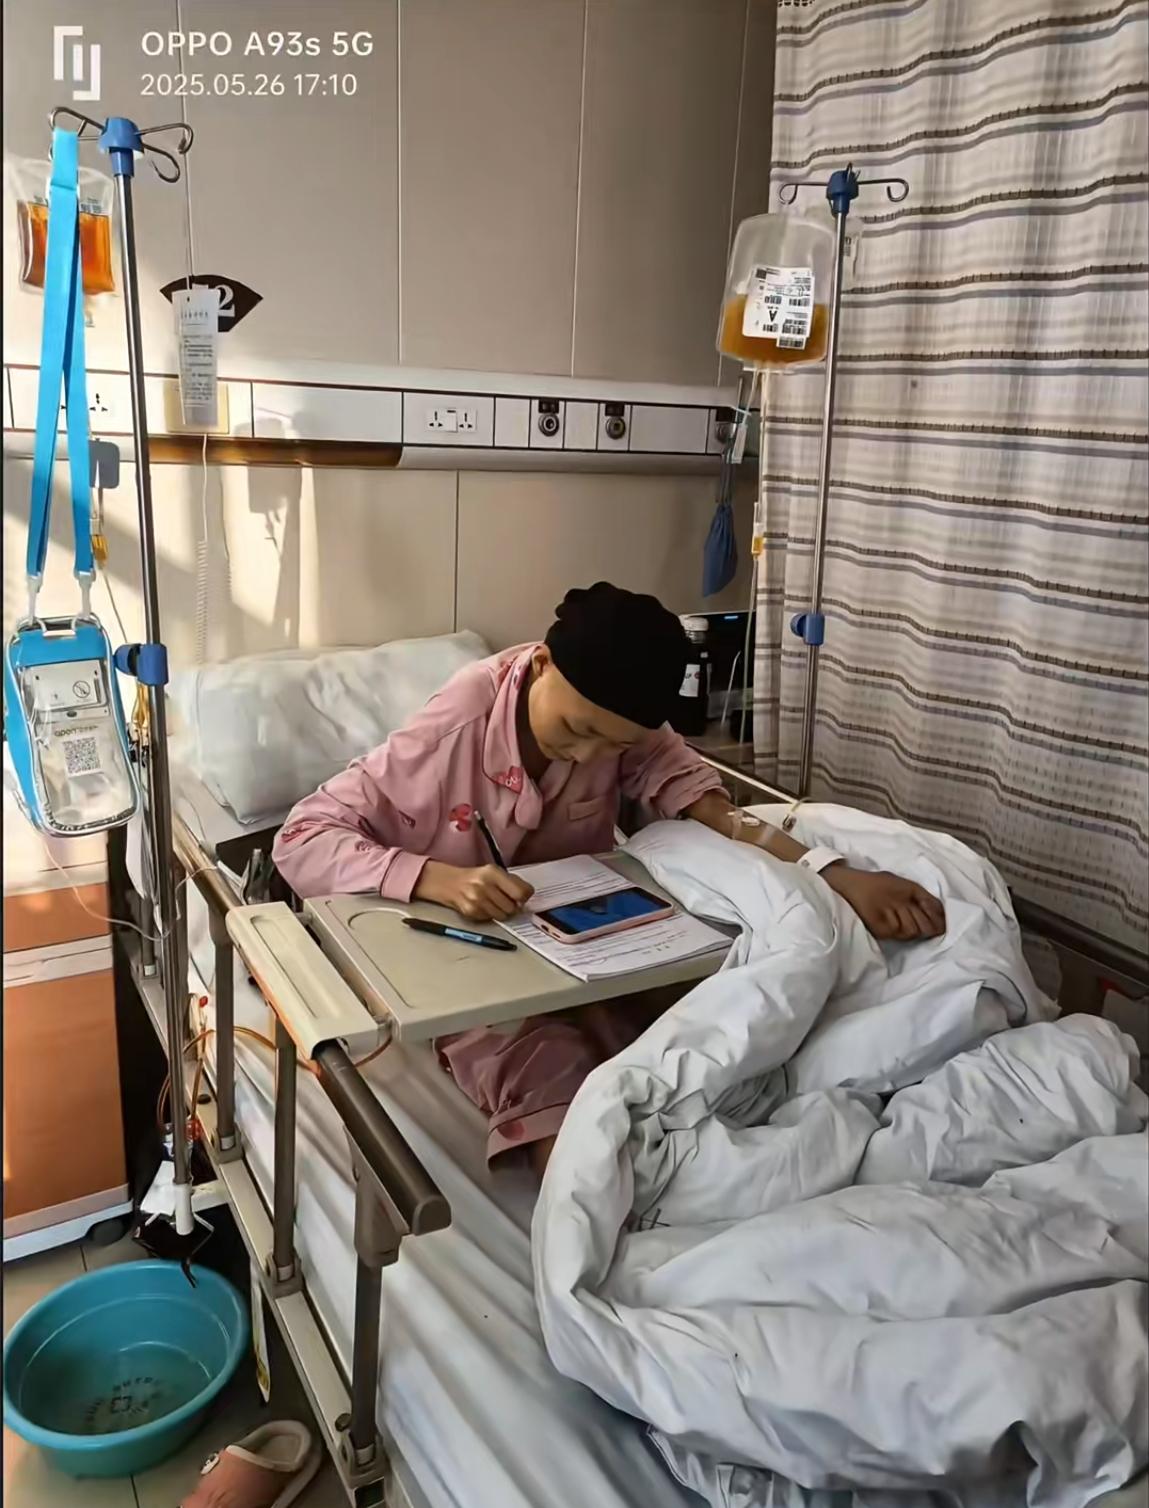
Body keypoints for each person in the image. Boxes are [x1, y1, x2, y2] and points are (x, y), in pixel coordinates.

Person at [274, 583, 945, 1174]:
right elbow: (300, 837)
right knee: (541, 1069)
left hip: (590, 946)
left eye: (614, 746)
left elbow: (714, 810)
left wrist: (833, 874)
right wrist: (432, 878)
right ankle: (596, 1221)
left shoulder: (625, 719)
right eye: (576, 728)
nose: (588, 754)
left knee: (702, 1033)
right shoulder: (452, 730)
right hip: (469, 953)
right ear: (540, 663)